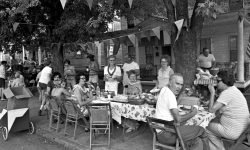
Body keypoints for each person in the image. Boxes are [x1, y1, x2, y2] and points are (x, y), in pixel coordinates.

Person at [155, 73, 209, 150]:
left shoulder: (164, 89)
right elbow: (178, 119)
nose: (179, 87)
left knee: (196, 139)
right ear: (170, 82)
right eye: (177, 83)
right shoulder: (170, 95)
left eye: (181, 84)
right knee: (202, 130)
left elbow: (172, 105)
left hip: (161, 132)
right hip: (168, 134)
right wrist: (193, 113)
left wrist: (181, 96)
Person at [207, 70, 250, 150]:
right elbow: (220, 109)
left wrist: (212, 92)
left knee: (204, 128)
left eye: (218, 81)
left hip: (233, 131)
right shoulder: (234, 90)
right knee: (213, 123)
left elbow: (211, 110)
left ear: (225, 81)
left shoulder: (227, 93)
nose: (216, 83)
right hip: (242, 128)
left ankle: (220, 148)